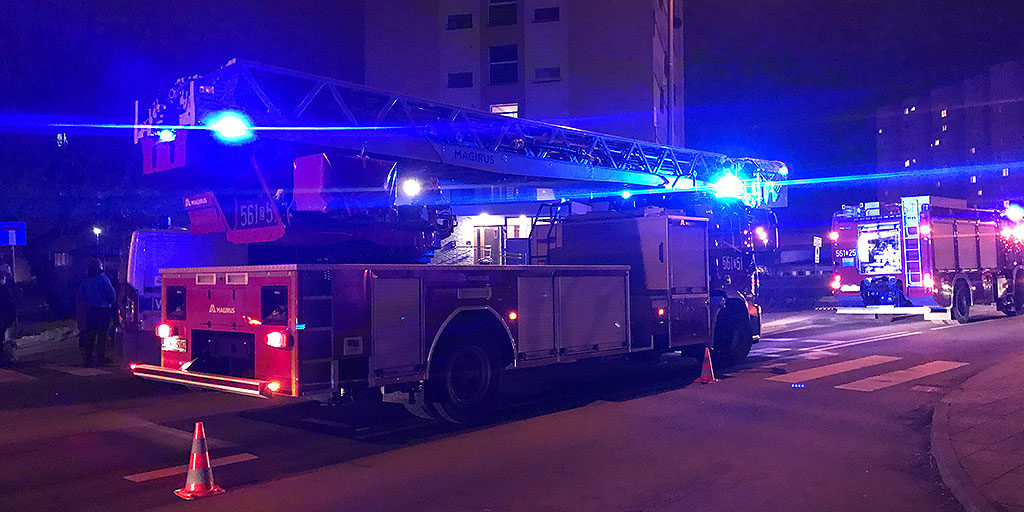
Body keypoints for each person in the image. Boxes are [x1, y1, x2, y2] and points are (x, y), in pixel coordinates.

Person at [78, 258, 117, 367]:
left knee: (90, 335)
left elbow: (81, 297)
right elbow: (112, 295)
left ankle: (88, 358)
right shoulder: (103, 279)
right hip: (103, 311)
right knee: (102, 335)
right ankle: (101, 357)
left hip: (90, 311)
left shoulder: (85, 281)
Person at [0, 265, 16, 366]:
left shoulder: (6, 286)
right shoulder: (4, 287)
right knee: (7, 337)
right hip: (5, 316)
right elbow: (7, 303)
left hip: (6, 316)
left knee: (5, 337)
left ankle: (6, 357)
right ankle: (7, 358)